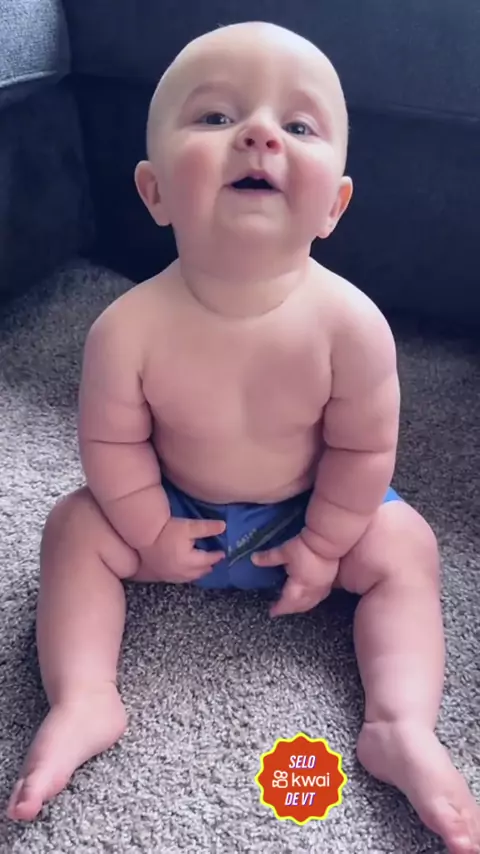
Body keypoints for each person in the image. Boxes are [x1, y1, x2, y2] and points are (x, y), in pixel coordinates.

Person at [7, 21, 479, 852]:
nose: (260, 134)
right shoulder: (127, 329)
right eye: (217, 117)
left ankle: (400, 723)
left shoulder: (352, 327)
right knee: (73, 528)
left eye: (297, 125)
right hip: (172, 512)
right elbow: (112, 447)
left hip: (309, 512)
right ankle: (84, 697)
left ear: (333, 206)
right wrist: (148, 526)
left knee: (406, 545)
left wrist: (328, 542)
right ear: (155, 192)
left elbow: (362, 452)